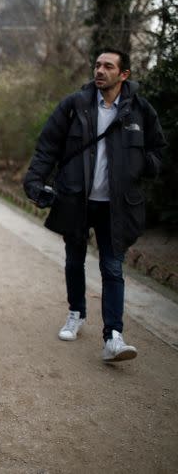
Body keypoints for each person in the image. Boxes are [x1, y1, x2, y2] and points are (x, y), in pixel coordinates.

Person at [24, 47, 166, 362]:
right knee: (74, 261)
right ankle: (76, 313)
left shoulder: (140, 110)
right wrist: (34, 181)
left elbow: (158, 150)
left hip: (118, 205)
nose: (100, 70)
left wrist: (141, 165)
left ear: (124, 74)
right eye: (98, 65)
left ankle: (113, 336)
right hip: (77, 199)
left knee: (112, 268)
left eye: (108, 66)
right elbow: (47, 146)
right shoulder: (74, 105)